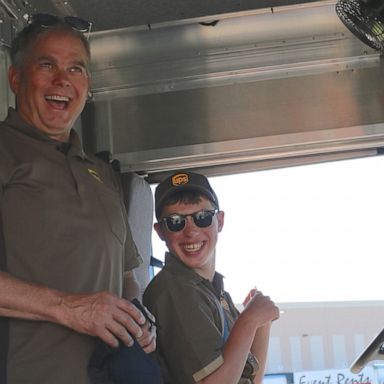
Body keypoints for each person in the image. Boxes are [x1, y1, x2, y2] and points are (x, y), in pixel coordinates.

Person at [0, 14, 155, 384]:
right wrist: (69, 309)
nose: (62, 80)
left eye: (76, 68)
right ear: (15, 78)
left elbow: (125, 275)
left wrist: (137, 316)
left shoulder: (102, 175)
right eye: (46, 65)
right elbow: (80, 309)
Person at [143, 171, 280, 384]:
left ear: (220, 220)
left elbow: (250, 380)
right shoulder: (176, 290)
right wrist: (250, 320)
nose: (191, 231)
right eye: (175, 222)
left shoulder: (212, 291)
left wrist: (261, 325)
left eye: (202, 218)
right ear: (160, 231)